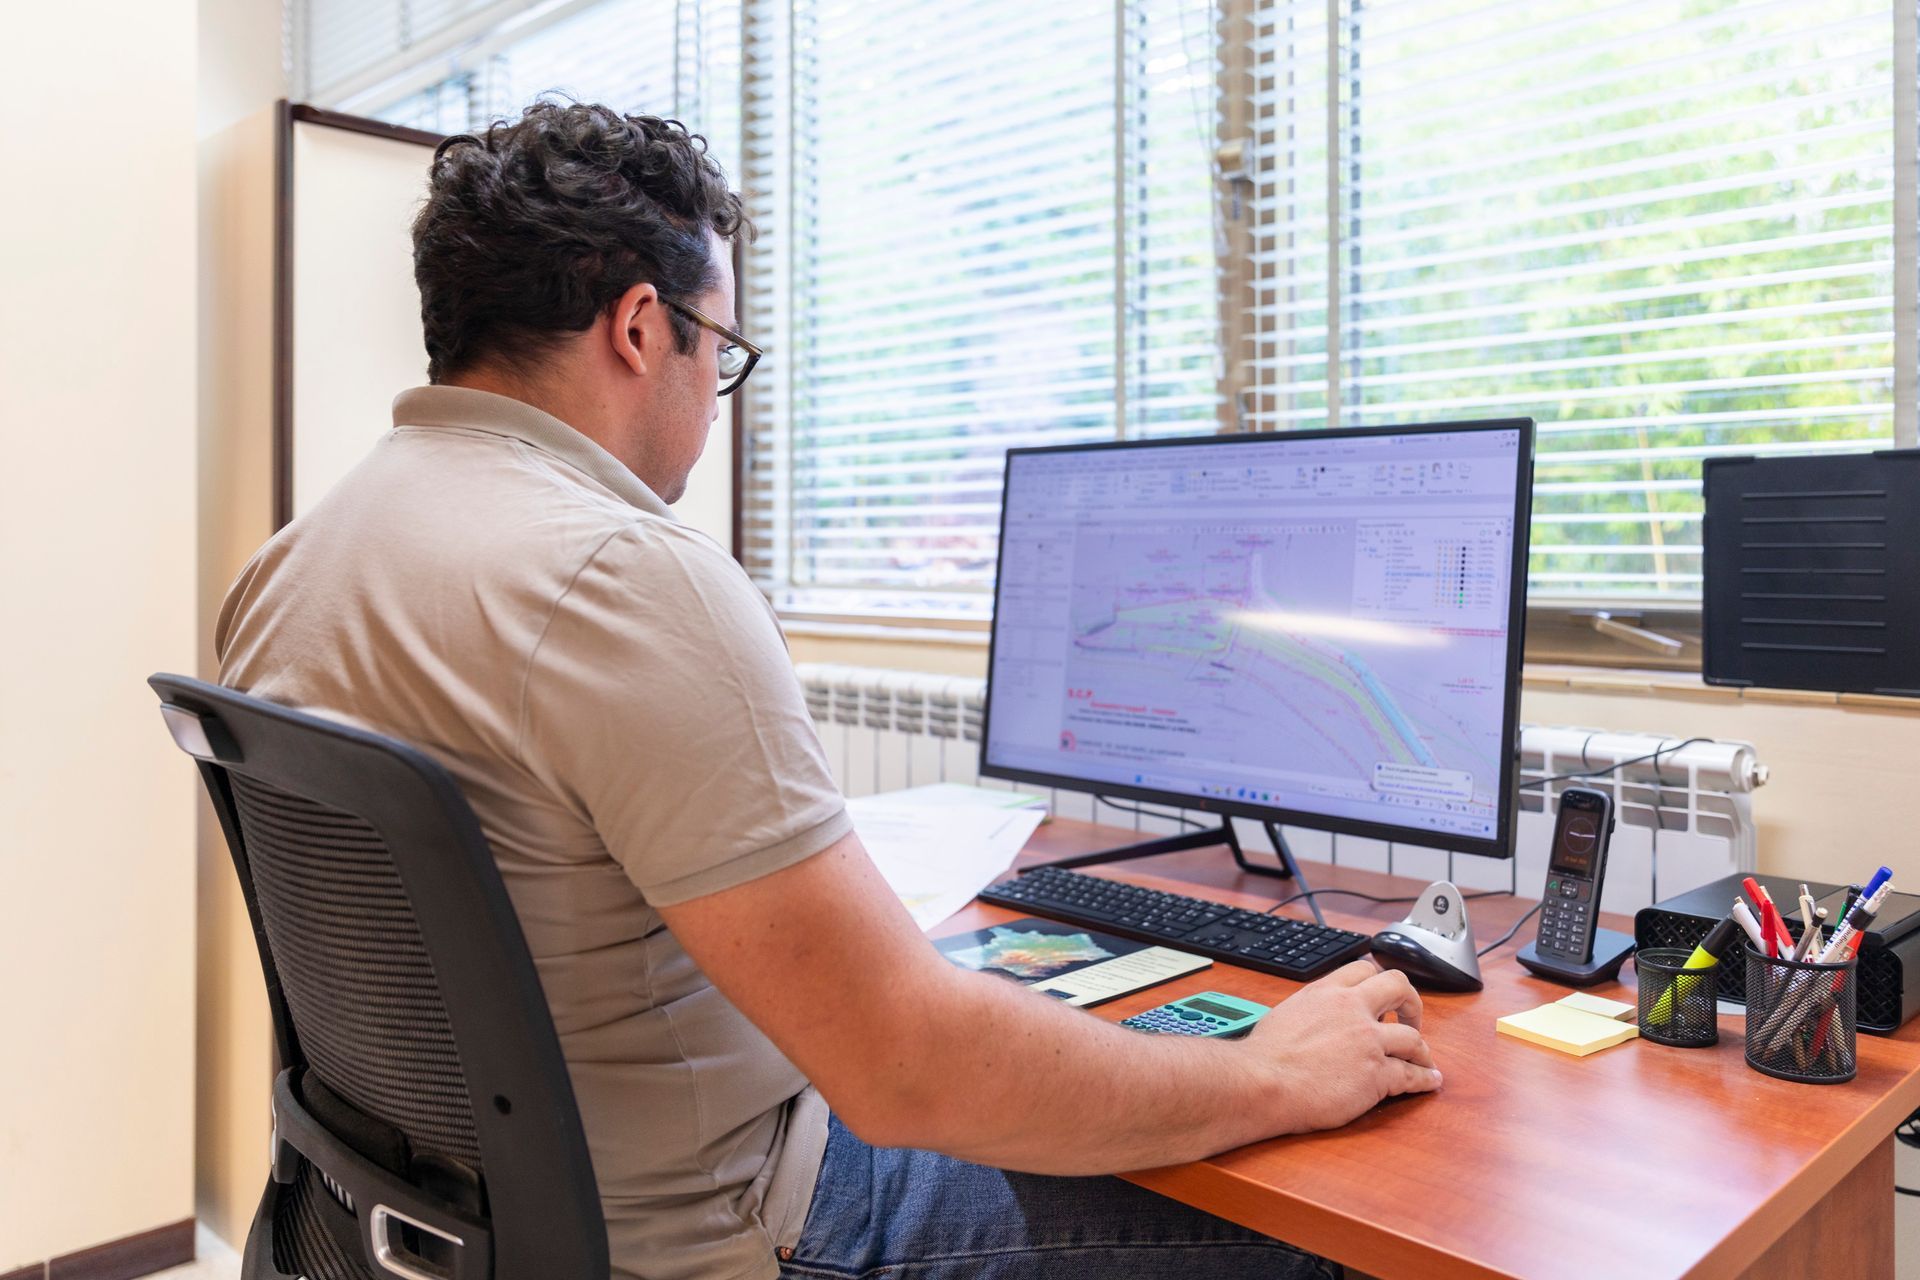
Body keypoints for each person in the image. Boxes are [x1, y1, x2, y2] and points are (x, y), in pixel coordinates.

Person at [216, 101, 1440, 1280]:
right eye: (725, 352)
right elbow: (910, 1069)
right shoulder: (623, 570)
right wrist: (1274, 1071)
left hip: (435, 1220)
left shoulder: (292, 564)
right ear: (643, 328)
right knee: (1330, 1223)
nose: (715, 399)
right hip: (729, 1232)